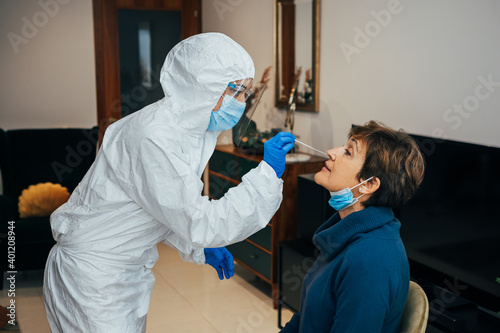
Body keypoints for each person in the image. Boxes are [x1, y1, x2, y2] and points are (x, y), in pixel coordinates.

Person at [43, 33, 295, 332]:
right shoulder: (154, 137)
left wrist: (199, 249)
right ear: (204, 86)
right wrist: (267, 173)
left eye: (245, 93)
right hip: (94, 280)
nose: (242, 102)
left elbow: (158, 208)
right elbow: (199, 220)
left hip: (117, 274)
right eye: (238, 91)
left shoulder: (183, 131)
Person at [280, 121, 425, 333]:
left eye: (348, 152)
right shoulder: (345, 233)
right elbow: (307, 317)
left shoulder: (370, 262)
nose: (331, 152)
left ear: (368, 184)